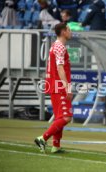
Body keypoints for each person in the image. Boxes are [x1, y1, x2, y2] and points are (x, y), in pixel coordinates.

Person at [34, 23, 73, 154]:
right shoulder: (60, 47)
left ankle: (56, 145)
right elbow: (60, 67)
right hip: (59, 86)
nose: (71, 32)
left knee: (59, 117)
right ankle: (43, 138)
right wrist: (67, 87)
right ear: (63, 32)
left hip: (54, 84)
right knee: (66, 117)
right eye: (69, 30)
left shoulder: (55, 45)